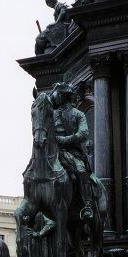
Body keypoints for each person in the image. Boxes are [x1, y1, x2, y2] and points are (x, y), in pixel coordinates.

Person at [50, 82, 94, 222]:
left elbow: (83, 133)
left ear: (64, 96)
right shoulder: (52, 114)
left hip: (72, 152)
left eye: (57, 94)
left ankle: (87, 204)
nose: (54, 97)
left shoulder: (78, 114)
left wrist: (64, 139)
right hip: (54, 151)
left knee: (80, 170)